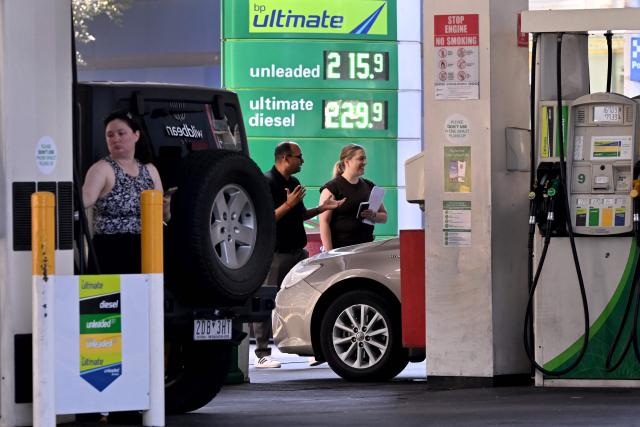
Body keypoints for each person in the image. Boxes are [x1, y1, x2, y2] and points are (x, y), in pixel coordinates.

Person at [253, 141, 344, 368]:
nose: (302, 161)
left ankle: (312, 347)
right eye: (298, 157)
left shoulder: (293, 182)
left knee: (308, 297)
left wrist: (322, 209)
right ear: (285, 158)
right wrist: (287, 204)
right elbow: (265, 219)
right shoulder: (266, 182)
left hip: (297, 252)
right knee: (266, 301)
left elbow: (300, 214)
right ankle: (262, 352)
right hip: (275, 254)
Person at [82, 111, 167, 274]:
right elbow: (86, 198)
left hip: (147, 248)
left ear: (136, 135)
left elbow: (163, 216)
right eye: (110, 135)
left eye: (121, 133)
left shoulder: (150, 170)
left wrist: (166, 208)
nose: (115, 139)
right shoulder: (102, 168)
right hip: (110, 250)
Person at [319, 144, 387, 251]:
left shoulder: (370, 186)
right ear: (347, 161)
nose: (365, 162)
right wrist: (329, 253)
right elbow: (324, 222)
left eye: (365, 158)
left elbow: (384, 217)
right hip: (340, 251)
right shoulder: (332, 188)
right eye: (361, 159)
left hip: (365, 249)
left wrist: (373, 215)